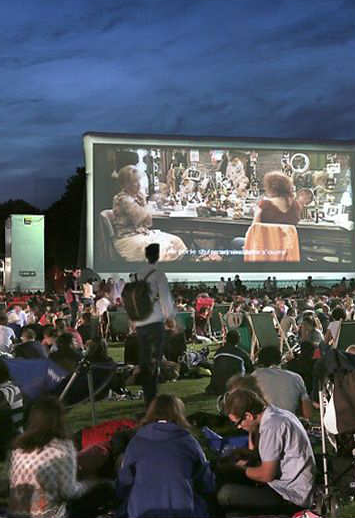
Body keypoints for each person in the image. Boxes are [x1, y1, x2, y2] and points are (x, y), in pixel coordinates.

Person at [218, 389, 315, 514]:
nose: (239, 427)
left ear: (248, 416)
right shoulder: (277, 414)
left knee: (225, 494)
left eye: (238, 423)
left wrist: (238, 468)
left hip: (291, 496)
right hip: (291, 486)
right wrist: (247, 454)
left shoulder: (271, 427)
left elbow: (266, 475)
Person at [117, 394, 214, 518]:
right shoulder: (188, 442)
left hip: (142, 513)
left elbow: (124, 482)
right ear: (179, 413)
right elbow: (206, 482)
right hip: (182, 511)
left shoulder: (137, 442)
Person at [7, 397, 88, 518]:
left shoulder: (18, 448)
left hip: (17, 511)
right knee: (103, 489)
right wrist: (87, 486)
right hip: (46, 513)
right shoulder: (62, 448)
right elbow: (68, 492)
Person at [111, 164, 188, 262]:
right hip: (128, 238)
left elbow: (148, 222)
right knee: (163, 249)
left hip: (141, 233)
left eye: (138, 180)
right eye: (135, 182)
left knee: (176, 241)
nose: (139, 184)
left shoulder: (135, 197)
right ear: (126, 184)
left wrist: (144, 204)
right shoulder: (123, 199)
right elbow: (142, 218)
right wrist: (144, 202)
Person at [133, 243, 177, 406]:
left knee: (145, 362)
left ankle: (148, 398)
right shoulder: (158, 274)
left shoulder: (138, 274)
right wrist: (170, 317)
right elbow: (164, 297)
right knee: (154, 361)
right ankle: (152, 400)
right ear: (158, 256)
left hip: (140, 321)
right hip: (154, 320)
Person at [251, 346, 313, 419]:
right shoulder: (296, 377)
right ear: (280, 360)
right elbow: (307, 413)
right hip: (289, 422)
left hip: (264, 421)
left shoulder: (255, 376)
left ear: (260, 361)